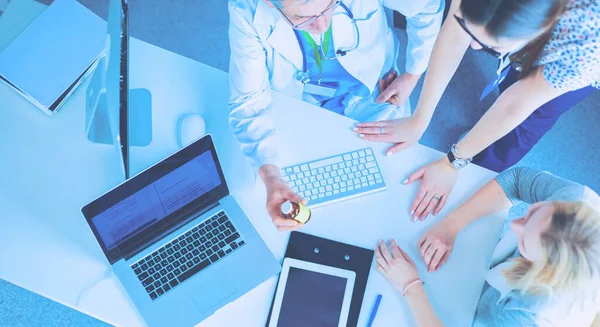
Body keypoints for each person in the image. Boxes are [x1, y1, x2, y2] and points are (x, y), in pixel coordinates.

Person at [354, 0, 600, 222]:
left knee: (528, 120)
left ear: (538, 32)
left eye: (489, 46)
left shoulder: (585, 45)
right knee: (505, 77)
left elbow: (517, 104)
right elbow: (455, 31)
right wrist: (420, 117)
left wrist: (453, 162)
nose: (472, 46)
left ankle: (476, 169)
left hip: (578, 54)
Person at [228, 0, 445, 231]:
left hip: (375, 96)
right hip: (302, 104)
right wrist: (270, 176)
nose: (322, 26)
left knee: (387, 195)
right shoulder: (247, 10)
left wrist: (413, 73)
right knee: (284, 197)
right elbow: (248, 101)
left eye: (330, 5)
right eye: (303, 19)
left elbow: (428, 6)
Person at [376, 166, 600, 326]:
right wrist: (452, 224)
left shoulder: (529, 315)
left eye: (523, 242)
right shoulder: (577, 200)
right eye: (531, 212)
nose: (514, 223)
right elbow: (518, 179)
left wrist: (410, 285)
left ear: (543, 270)